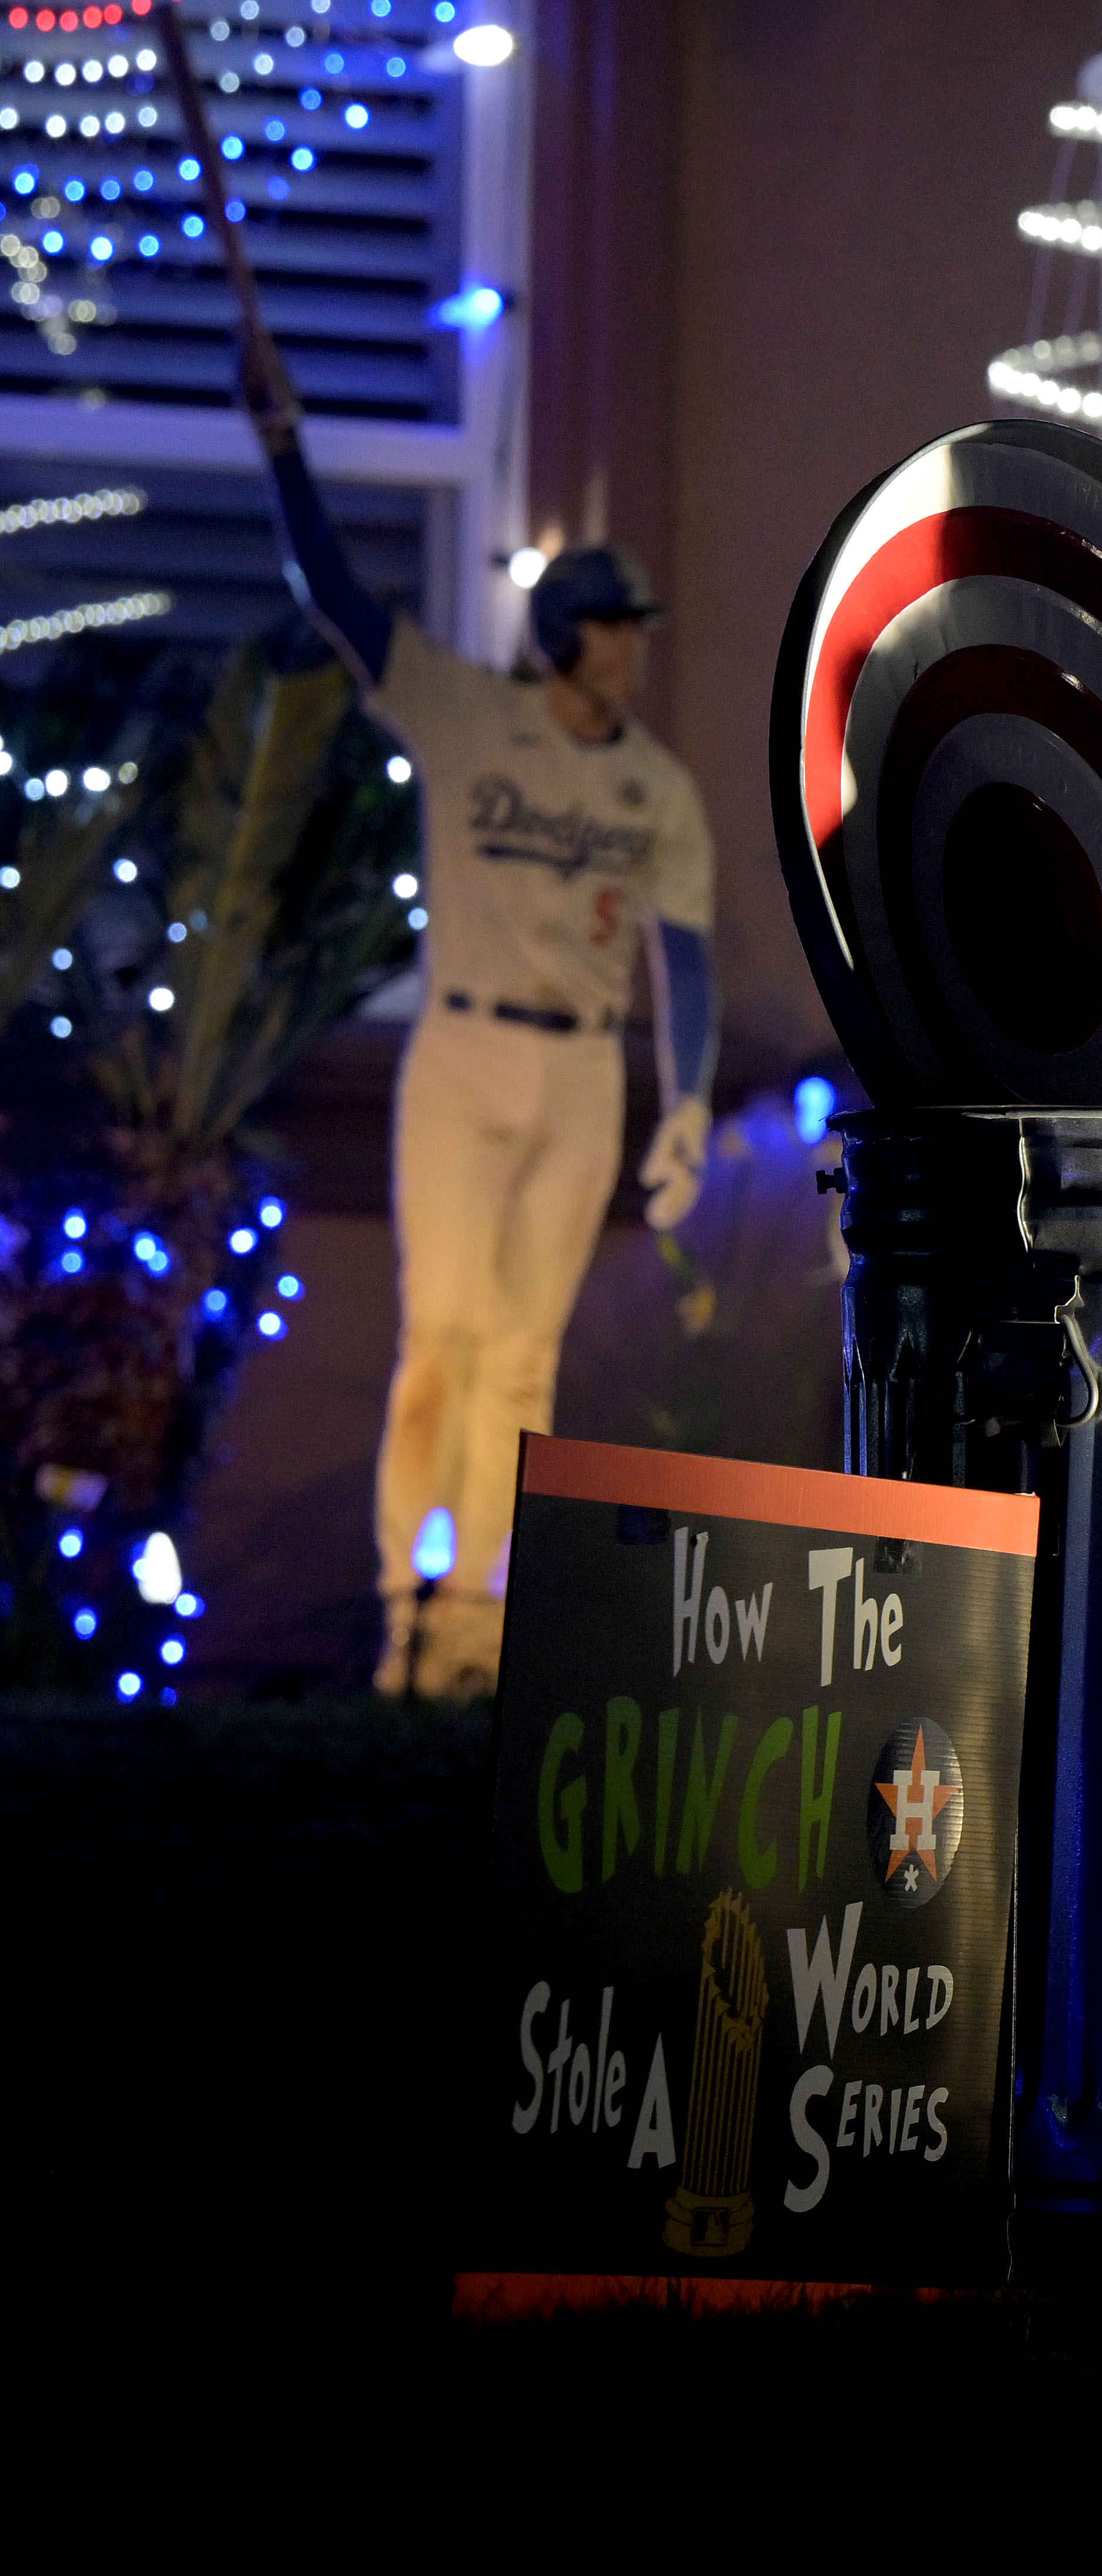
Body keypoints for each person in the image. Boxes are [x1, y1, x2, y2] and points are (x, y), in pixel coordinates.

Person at [239, 326, 717, 1697]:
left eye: (634, 630)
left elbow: (680, 955)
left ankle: (484, 1631)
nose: (631, 652)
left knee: (524, 1354)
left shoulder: (658, 790)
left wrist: (682, 1097)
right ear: (563, 634)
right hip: (460, 1046)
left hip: (579, 1069)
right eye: (614, 628)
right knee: (439, 1334)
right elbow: (333, 593)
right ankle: (408, 1600)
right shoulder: (466, 716)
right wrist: (283, 449)